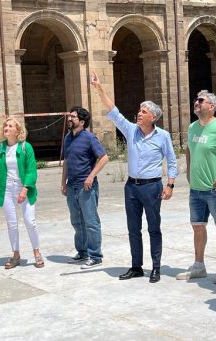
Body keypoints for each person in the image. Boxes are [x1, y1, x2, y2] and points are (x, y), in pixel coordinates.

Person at [91, 71, 178, 283]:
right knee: (133, 229)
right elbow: (114, 112)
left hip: (152, 187)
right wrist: (99, 88)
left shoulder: (163, 136)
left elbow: (172, 161)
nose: (139, 113)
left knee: (154, 228)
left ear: (153, 117)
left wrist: (170, 185)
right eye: (139, 110)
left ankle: (156, 267)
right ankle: (136, 266)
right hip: (132, 187)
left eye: (144, 111)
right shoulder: (131, 131)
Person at [176, 90, 216, 284]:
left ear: (212, 107)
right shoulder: (193, 127)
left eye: (201, 100)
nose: (196, 102)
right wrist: (189, 172)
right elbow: (189, 149)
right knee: (198, 227)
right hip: (196, 190)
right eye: (196, 99)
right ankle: (199, 265)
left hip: (215, 190)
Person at [0, 118, 43, 269]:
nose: (6, 127)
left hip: (24, 189)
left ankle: (37, 252)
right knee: (11, 224)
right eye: (5, 125)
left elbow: (31, 170)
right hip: (6, 190)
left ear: (17, 131)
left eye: (10, 126)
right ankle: (16, 255)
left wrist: (25, 189)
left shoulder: (26, 147)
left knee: (30, 221)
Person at [61, 106, 109, 269]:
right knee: (76, 221)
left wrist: (91, 176)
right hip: (72, 186)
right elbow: (67, 161)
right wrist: (63, 182)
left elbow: (103, 158)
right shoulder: (68, 138)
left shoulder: (89, 138)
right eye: (69, 116)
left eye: (73, 117)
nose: (69, 119)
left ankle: (95, 256)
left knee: (91, 222)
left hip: (86, 187)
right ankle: (82, 252)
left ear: (81, 122)